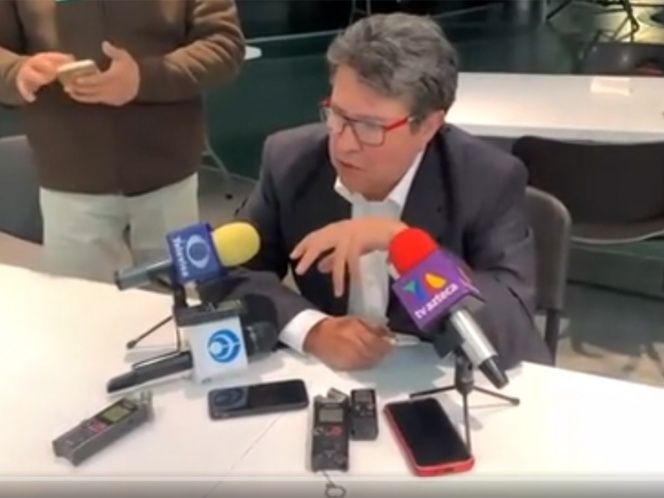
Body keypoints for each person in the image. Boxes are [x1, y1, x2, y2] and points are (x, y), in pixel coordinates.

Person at [229, 13, 551, 371]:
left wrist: (407, 247)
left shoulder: (486, 179)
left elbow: (508, 330)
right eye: (337, 115)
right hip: (334, 380)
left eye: (370, 127)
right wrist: (312, 330)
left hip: (449, 376)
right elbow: (229, 273)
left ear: (428, 126)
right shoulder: (291, 160)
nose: (344, 144)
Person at [0, 0, 245, 282]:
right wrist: (17, 72)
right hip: (69, 179)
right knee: (81, 302)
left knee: (183, 296)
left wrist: (142, 78)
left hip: (170, 174)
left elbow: (224, 44)